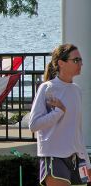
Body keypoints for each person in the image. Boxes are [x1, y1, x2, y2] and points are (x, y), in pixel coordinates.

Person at [29, 44, 91, 186]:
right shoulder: (47, 88)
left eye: (80, 60)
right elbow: (34, 125)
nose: (81, 63)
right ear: (61, 63)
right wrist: (59, 112)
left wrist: (87, 163)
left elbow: (77, 131)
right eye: (76, 60)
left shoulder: (76, 91)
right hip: (54, 157)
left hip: (76, 158)